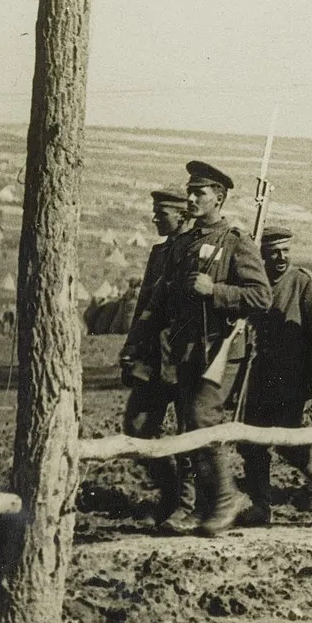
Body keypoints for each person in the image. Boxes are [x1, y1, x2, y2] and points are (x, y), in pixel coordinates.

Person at [156, 161, 274, 537]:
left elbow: (261, 297)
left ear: (218, 198)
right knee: (189, 427)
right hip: (188, 349)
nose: (190, 199)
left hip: (221, 350)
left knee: (203, 418)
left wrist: (217, 291)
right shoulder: (187, 242)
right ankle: (196, 506)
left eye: (199, 193)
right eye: (189, 192)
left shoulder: (236, 241)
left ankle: (227, 498)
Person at [237, 223, 312, 518]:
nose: (280, 258)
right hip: (254, 376)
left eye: (285, 251)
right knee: (250, 441)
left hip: (289, 377)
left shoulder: (302, 282)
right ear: (262, 256)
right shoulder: (254, 282)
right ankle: (260, 504)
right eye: (273, 253)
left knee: (285, 437)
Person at [121, 187, 194, 531]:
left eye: (161, 212)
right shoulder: (159, 252)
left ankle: (186, 504)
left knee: (188, 432)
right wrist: (132, 345)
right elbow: (145, 304)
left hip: (186, 355)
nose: (154, 218)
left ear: (182, 214)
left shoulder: (196, 250)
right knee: (137, 426)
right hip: (153, 355)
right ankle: (168, 493)